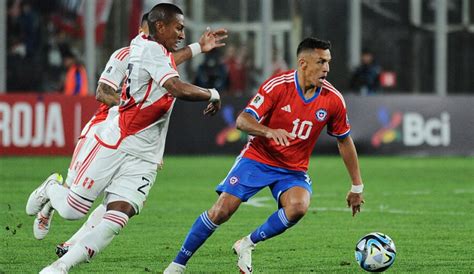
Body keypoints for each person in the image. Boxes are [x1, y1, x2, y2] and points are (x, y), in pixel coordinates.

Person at [25, 3, 226, 273]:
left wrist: (200, 47)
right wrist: (212, 93)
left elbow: (172, 61)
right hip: (115, 139)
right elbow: (171, 86)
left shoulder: (158, 52)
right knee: (73, 210)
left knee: (116, 218)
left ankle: (60, 266)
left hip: (143, 155)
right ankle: (51, 188)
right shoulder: (143, 50)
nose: (181, 34)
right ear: (158, 27)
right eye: (178, 28)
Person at [163, 37, 365, 274]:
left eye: (328, 62)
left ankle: (247, 243)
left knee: (298, 206)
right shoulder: (278, 86)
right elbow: (242, 120)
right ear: (303, 63)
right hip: (258, 159)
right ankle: (177, 265)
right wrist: (269, 131)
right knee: (222, 211)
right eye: (321, 62)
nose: (326, 69)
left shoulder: (333, 100)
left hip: (293, 169)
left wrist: (357, 186)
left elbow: (344, 140)